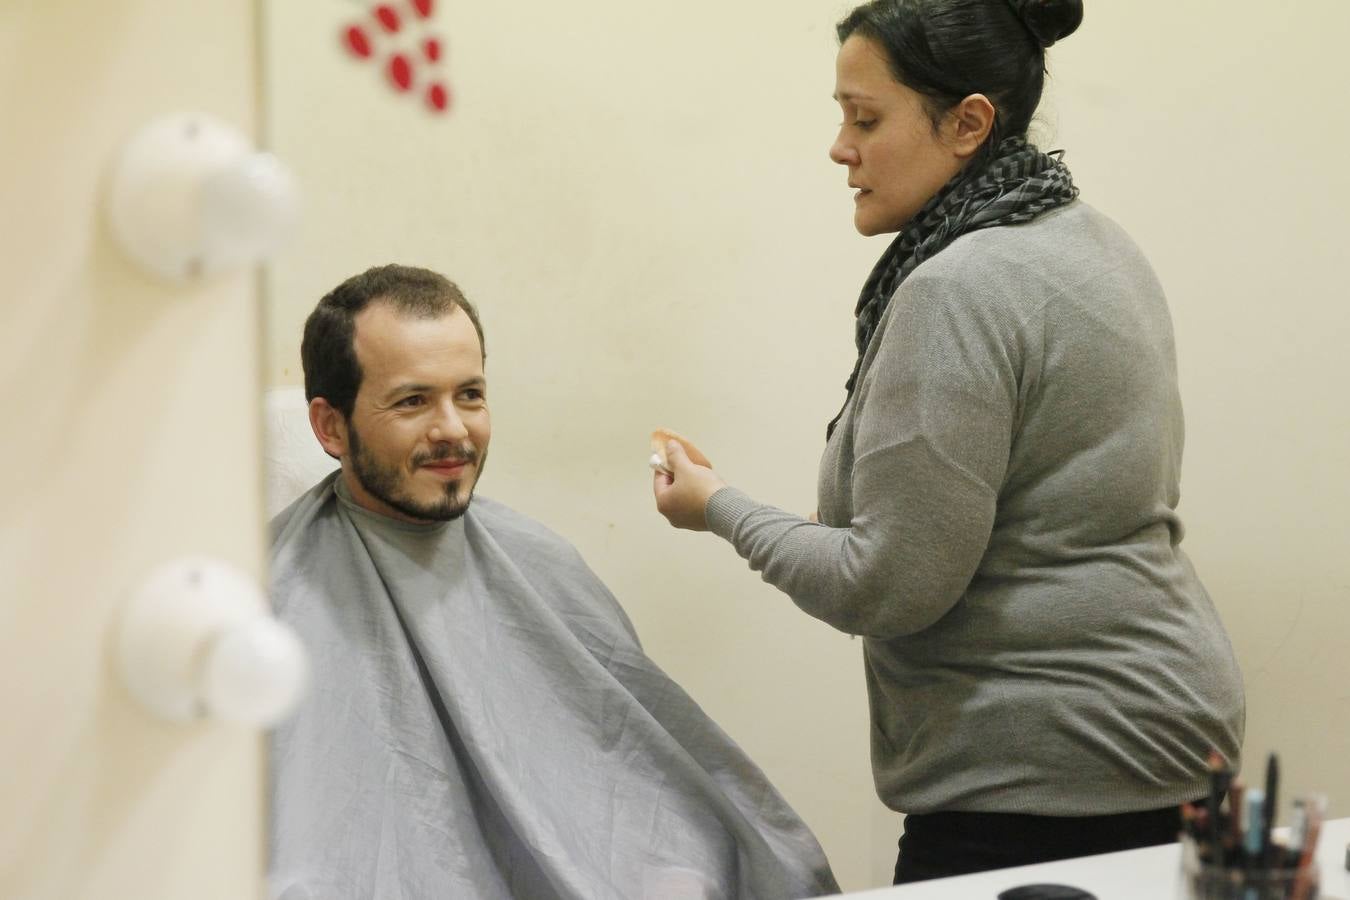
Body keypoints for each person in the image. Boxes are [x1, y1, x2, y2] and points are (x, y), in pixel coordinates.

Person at [652, 0, 1245, 885]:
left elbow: (887, 588)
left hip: (1042, 782)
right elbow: (1045, 499)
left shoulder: (956, 289)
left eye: (867, 118)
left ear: (968, 122)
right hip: (1167, 745)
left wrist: (719, 508)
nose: (839, 147)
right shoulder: (1098, 245)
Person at [268, 264, 838, 899]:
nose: (454, 429)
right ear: (330, 427)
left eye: (470, 395)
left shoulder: (541, 563)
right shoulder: (268, 597)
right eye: (412, 400)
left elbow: (646, 787)